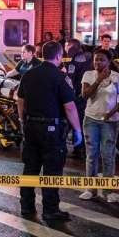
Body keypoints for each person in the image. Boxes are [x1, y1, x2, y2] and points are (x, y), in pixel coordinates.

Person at [16, 41, 84, 222]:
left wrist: (22, 121)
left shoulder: (28, 74)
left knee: (30, 168)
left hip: (31, 127)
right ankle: (50, 210)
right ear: (59, 56)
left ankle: (27, 207)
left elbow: (20, 100)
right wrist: (78, 130)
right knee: (52, 171)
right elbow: (69, 107)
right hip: (52, 130)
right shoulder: (59, 77)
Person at [79, 49, 119, 202]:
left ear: (108, 62)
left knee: (108, 155)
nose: (98, 62)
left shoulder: (117, 77)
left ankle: (108, 191)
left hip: (110, 122)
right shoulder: (88, 75)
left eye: (101, 60)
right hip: (91, 119)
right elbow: (85, 95)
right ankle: (90, 189)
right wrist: (99, 80)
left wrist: (113, 112)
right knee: (91, 155)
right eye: (96, 59)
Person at [64, 39, 92, 156]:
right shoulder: (89, 57)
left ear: (72, 47)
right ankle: (84, 149)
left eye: (66, 46)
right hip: (88, 96)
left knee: (75, 121)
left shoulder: (75, 59)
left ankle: (78, 148)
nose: (65, 49)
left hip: (78, 96)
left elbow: (70, 80)